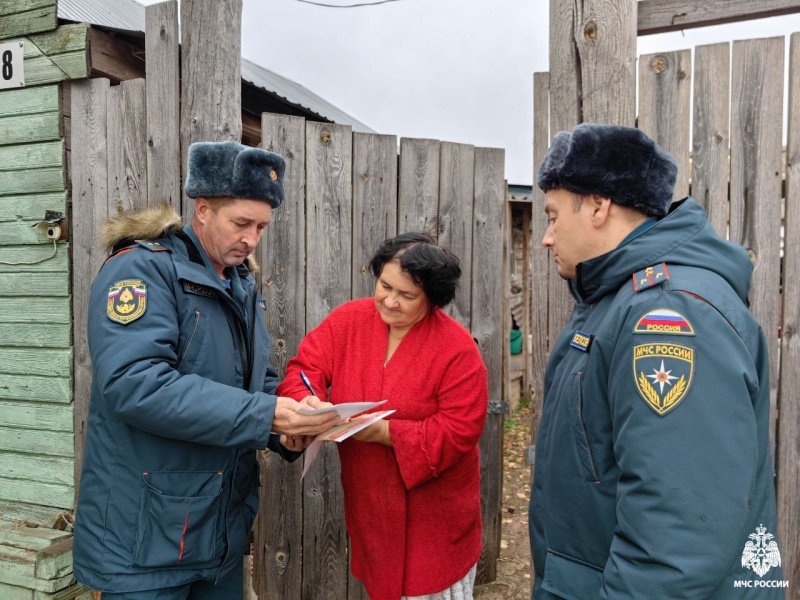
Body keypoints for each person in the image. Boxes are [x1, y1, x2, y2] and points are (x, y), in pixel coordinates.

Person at [72, 141, 341, 598]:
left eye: (261, 227)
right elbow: (135, 384)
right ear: (202, 210)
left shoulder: (238, 281)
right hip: (145, 539)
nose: (252, 239)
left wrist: (288, 424)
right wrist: (265, 415)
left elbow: (252, 379)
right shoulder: (141, 271)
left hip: (217, 532)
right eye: (241, 223)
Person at [528, 123, 783, 599]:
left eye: (552, 215)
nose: (547, 236)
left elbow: (677, 538)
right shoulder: (615, 299)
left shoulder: (667, 312)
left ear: (599, 207)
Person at [276, 232, 488, 600]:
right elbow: (304, 368)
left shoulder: (458, 351)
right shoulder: (348, 321)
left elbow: (458, 432)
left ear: (433, 299)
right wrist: (305, 400)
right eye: (384, 285)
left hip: (434, 515)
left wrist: (384, 432)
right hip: (371, 501)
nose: (389, 301)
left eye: (406, 296)